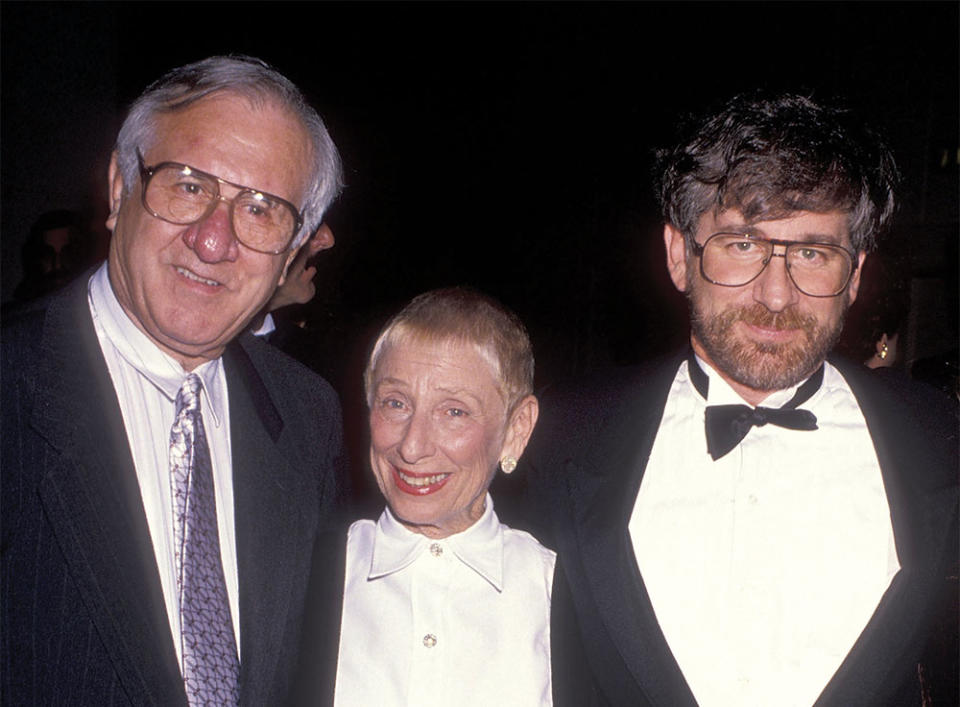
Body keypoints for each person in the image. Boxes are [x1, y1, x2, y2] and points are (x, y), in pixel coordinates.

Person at [527, 93, 958, 706]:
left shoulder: (941, 440)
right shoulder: (560, 435)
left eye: (812, 252)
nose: (776, 295)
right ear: (680, 255)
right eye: (743, 245)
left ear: (856, 274)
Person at [2, 55, 346, 705]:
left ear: (292, 251)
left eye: (261, 209)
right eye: (188, 185)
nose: (214, 240)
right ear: (117, 187)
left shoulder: (307, 416)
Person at [292, 288, 553, 706]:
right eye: (396, 403)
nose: (412, 447)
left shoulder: (559, 590)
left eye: (454, 411)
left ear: (517, 429)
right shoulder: (302, 575)